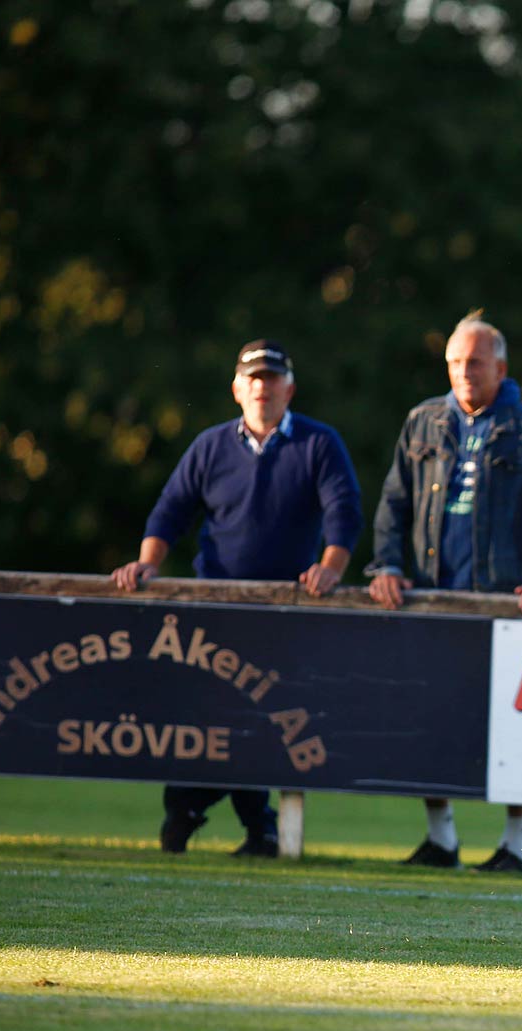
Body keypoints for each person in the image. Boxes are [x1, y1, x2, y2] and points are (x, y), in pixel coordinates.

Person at [112, 339, 362, 857]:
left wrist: (331, 569)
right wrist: (148, 562)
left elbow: (344, 512)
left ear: (289, 388)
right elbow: (170, 511)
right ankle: (238, 820)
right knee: (208, 718)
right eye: (252, 378)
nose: (262, 387)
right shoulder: (210, 446)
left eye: (271, 378)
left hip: (283, 615)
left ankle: (199, 808)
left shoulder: (318, 443)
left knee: (260, 721)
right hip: (217, 612)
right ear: (236, 388)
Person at [368, 310, 522, 871]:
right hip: (431, 600)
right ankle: (440, 837)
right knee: (431, 718)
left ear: (501, 367)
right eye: (455, 362)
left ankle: (515, 843)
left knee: (513, 727)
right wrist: (386, 567)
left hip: (505, 606)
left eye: (474, 362)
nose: (464, 372)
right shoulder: (421, 421)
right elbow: (393, 503)